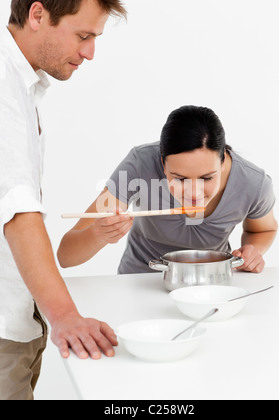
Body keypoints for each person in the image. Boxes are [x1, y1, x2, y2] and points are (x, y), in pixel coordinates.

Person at [0, 0, 127, 401]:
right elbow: (18, 211)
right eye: (83, 36)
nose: (90, 52)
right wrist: (65, 316)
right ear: (37, 15)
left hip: (21, 315)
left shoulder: (22, 86)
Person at [57, 105, 278, 275]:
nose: (193, 193)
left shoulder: (253, 183)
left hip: (211, 284)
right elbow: (65, 257)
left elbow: (263, 230)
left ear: (222, 162)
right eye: (180, 178)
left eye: (206, 178)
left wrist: (252, 250)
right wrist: (98, 234)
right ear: (163, 164)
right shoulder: (140, 164)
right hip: (138, 282)